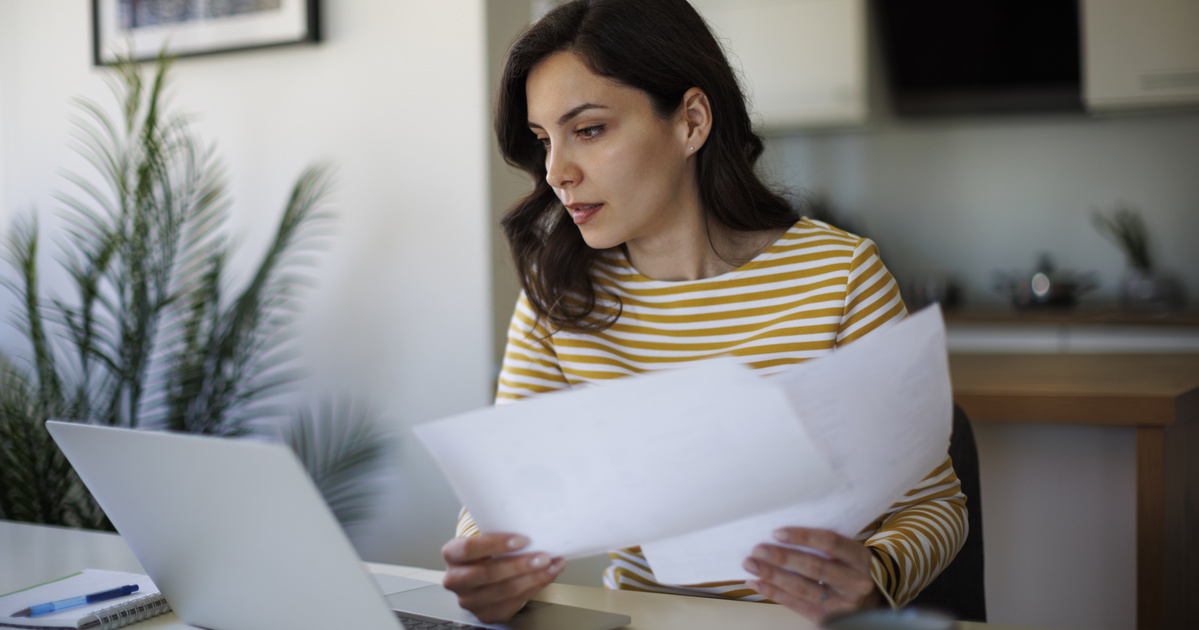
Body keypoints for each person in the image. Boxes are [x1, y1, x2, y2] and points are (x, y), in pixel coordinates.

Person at [440, 0, 967, 624]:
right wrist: (486, 559)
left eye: (588, 131)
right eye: (542, 140)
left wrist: (873, 579)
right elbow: (504, 500)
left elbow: (935, 504)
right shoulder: (557, 297)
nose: (557, 171)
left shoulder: (840, 274)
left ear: (690, 121)